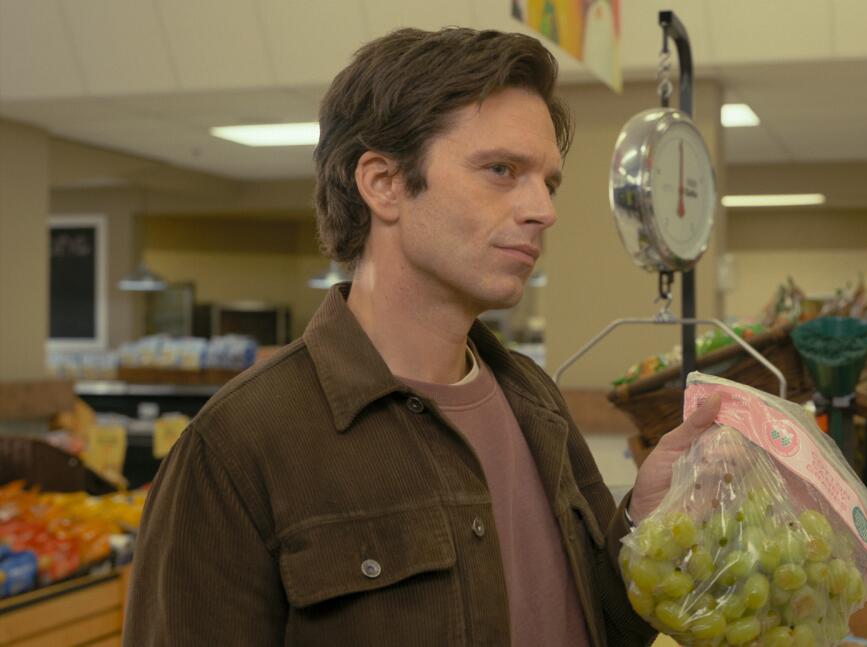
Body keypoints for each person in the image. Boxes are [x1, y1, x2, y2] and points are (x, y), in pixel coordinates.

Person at [123, 26, 720, 646]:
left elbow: (604, 623)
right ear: (382, 183)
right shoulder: (236, 449)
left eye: (548, 182)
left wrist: (651, 517)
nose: (543, 209)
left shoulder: (533, 399)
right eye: (501, 170)